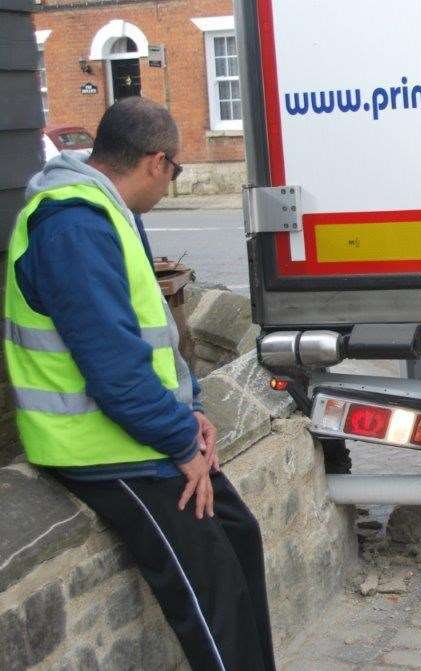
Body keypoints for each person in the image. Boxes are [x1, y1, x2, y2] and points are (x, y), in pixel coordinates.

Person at [4, 97, 276, 671]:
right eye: (176, 170)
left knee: (239, 534)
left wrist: (191, 414)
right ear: (157, 162)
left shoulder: (105, 211)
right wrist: (181, 443)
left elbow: (153, 343)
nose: (171, 182)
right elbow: (113, 368)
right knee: (213, 593)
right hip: (107, 449)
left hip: (142, 433)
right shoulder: (73, 222)